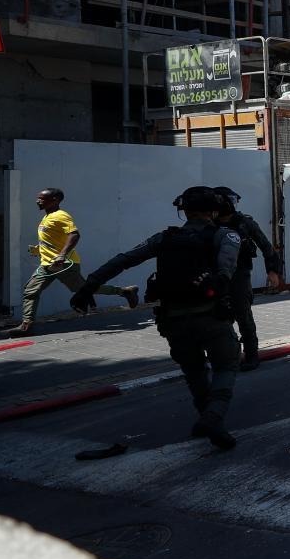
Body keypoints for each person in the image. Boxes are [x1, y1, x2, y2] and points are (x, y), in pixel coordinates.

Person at [69, 187, 243, 448]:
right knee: (226, 366)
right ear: (214, 211)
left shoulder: (164, 238)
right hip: (212, 317)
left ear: (184, 211)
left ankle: (206, 417)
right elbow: (226, 269)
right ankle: (213, 416)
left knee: (193, 371)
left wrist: (88, 287)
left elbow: (123, 260)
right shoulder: (226, 235)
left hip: (172, 320)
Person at [2, 188, 139, 337]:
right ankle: (26, 326)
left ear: (55, 200)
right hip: (47, 264)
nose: (38, 201)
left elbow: (74, 235)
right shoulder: (47, 217)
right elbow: (53, 240)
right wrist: (39, 249)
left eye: (42, 198)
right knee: (30, 291)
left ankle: (125, 292)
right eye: (38, 198)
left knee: (83, 289)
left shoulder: (61, 215)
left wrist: (62, 255)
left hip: (64, 265)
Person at [213, 187, 283, 371]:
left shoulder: (244, 223)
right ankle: (225, 353)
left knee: (243, 315)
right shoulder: (209, 223)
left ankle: (251, 355)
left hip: (239, 274)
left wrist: (272, 271)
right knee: (217, 316)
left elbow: (266, 247)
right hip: (215, 275)